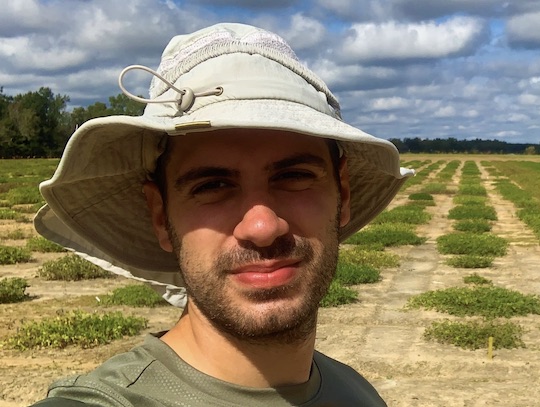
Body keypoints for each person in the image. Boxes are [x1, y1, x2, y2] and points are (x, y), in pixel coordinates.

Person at [31, 23, 413, 406]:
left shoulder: (355, 392)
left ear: (342, 195)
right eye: (212, 186)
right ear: (161, 217)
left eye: (294, 176)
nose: (262, 227)